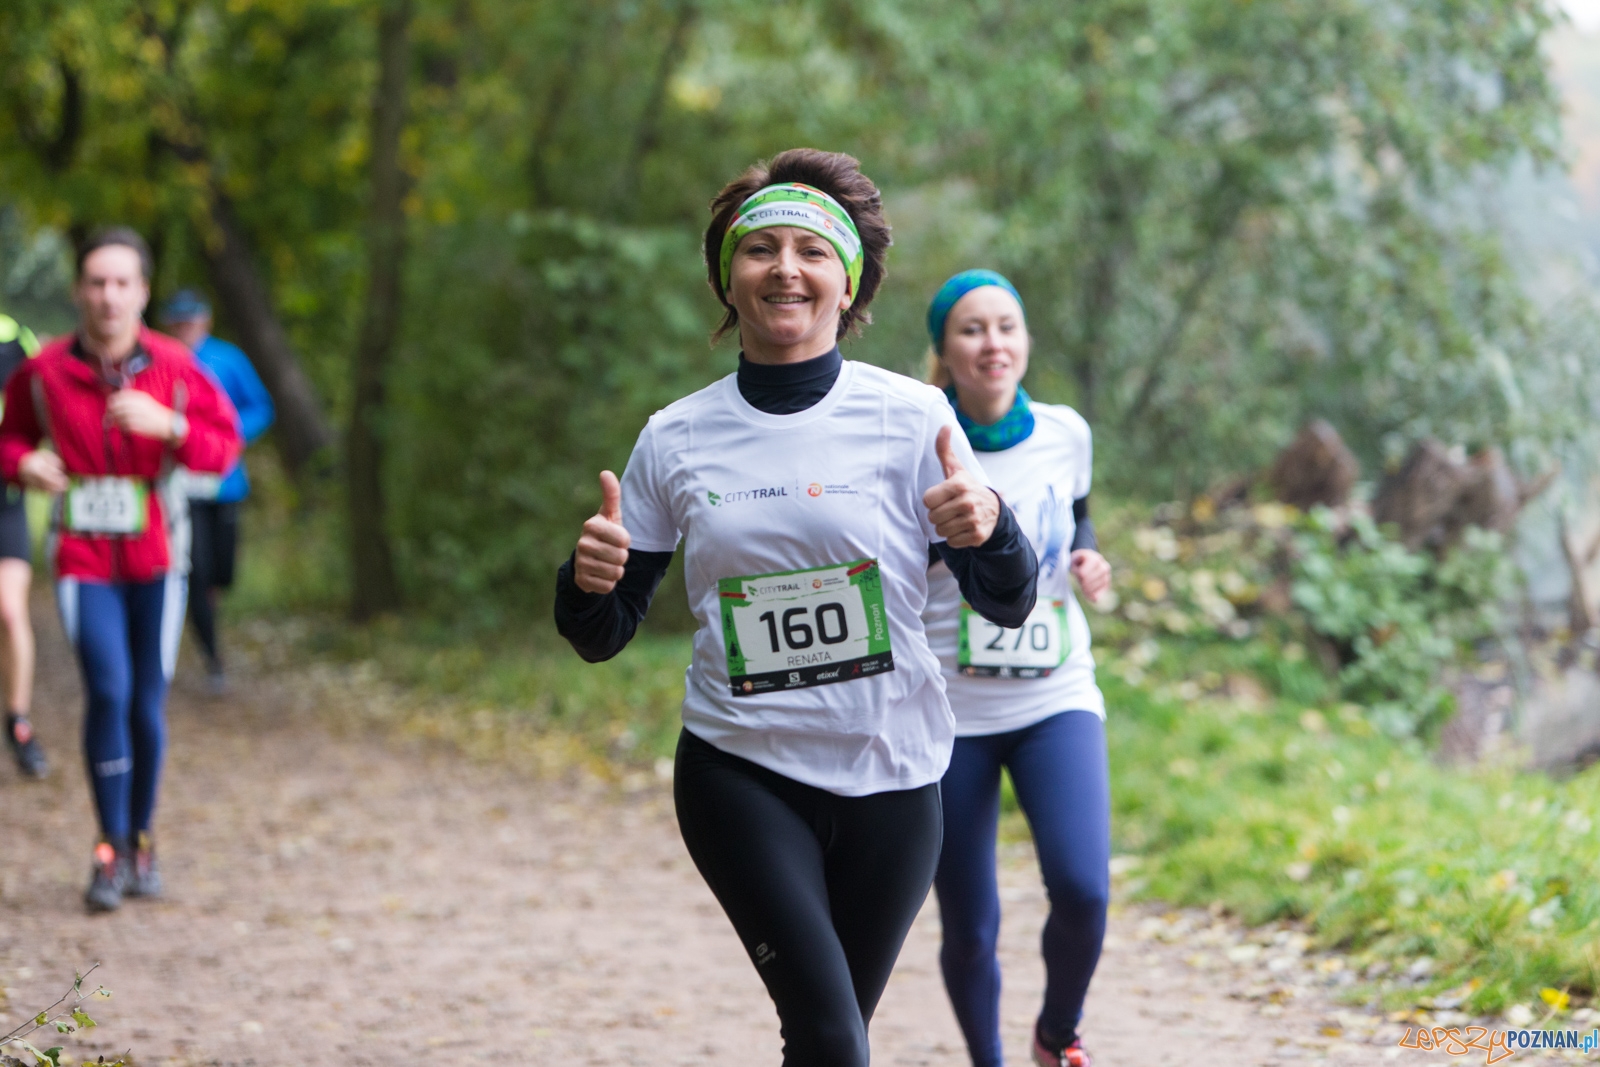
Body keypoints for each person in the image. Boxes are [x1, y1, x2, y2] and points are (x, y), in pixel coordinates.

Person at [554, 149, 1039, 1067]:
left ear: (845, 282)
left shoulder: (913, 417)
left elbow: (1006, 602)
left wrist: (993, 527)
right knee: (831, 1037)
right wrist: (585, 580)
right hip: (742, 770)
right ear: (725, 279)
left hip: (893, 776)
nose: (785, 268)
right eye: (761, 249)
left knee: (824, 1040)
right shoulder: (677, 435)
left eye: (811, 251)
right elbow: (602, 633)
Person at [0, 227, 242, 913]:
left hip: (158, 561)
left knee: (144, 701)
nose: (108, 296)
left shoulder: (177, 367)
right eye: (97, 283)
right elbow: (9, 433)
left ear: (142, 292)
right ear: (79, 290)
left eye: (122, 283)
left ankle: (141, 839)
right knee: (107, 690)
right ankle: (108, 846)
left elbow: (222, 449)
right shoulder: (43, 371)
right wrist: (21, 462)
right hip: (82, 560)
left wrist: (169, 426)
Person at [921, 271, 1113, 1067]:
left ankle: (1056, 1032)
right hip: (948, 711)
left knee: (1084, 889)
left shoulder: (1067, 431)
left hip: (1055, 693)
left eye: (1007, 326)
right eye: (972, 329)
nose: (993, 344)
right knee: (969, 928)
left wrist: (1089, 557)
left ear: (1026, 339)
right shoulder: (916, 437)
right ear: (943, 350)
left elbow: (1077, 515)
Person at [158, 289, 275, 692]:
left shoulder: (228, 359)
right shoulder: (159, 360)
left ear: (205, 321)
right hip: (180, 489)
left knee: (221, 573)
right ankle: (212, 656)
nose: (185, 328)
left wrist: (229, 436)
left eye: (191, 320)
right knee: (197, 570)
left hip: (225, 484)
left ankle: (210, 617)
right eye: (178, 321)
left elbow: (261, 405)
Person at [0, 311, 45, 778]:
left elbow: (40, 408)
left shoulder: (15, 337)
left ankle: (18, 723)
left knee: (11, 612)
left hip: (4, 499)